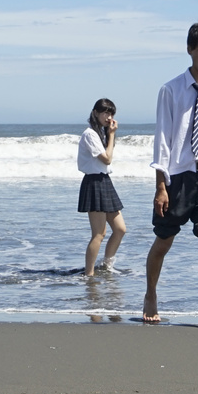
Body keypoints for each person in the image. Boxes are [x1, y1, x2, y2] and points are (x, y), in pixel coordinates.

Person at [144, 18, 198, 329]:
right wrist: (161, 186)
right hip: (176, 178)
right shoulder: (170, 90)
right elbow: (163, 140)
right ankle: (151, 294)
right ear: (189, 50)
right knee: (163, 241)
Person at [77, 99, 126, 277]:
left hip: (104, 181)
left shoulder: (100, 134)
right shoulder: (90, 134)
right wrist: (112, 135)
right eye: (105, 112)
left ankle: (106, 266)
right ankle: (89, 274)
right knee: (99, 233)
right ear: (95, 112)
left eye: (111, 113)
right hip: (94, 182)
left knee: (120, 229)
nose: (109, 117)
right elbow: (106, 159)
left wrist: (109, 134)